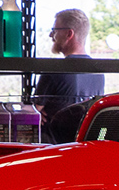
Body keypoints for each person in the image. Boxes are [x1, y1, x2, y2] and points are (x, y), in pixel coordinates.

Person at [34, 8, 106, 142]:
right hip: (83, 145)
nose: (51, 35)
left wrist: (35, 112)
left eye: (55, 30)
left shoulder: (55, 69)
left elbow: (33, 113)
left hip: (54, 147)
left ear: (69, 34)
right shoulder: (98, 72)